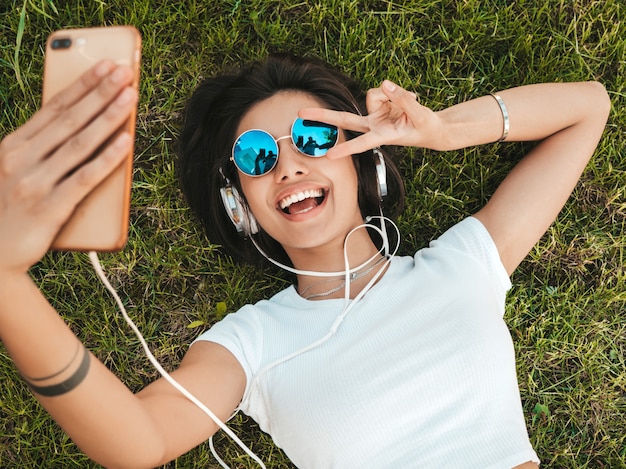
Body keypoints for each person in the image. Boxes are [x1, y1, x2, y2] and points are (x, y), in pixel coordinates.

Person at [0, 53, 610, 468]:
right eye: (259, 154)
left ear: (363, 158)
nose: (290, 165)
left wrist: (445, 130)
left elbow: (589, 106)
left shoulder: (465, 264)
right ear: (238, 204)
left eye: (315, 137)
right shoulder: (252, 343)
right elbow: (137, 440)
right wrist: (6, 284)